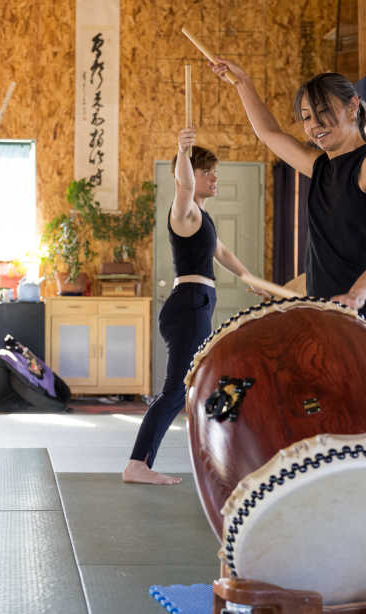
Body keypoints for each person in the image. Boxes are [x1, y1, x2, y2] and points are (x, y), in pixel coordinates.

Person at [210, 60, 366, 370]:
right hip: (326, 318)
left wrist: (356, 296)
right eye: (306, 117)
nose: (315, 125)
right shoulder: (318, 167)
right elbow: (268, 133)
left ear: (352, 106)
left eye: (323, 113)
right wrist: (243, 82)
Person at [122, 128, 272, 485]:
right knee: (177, 390)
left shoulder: (202, 219)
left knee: (220, 380)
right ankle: (137, 464)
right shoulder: (184, 213)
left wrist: (249, 278)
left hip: (198, 305)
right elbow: (184, 186)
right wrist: (182, 151)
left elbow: (222, 252)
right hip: (188, 306)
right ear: (189, 173)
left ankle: (223, 454)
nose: (214, 177)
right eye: (207, 172)